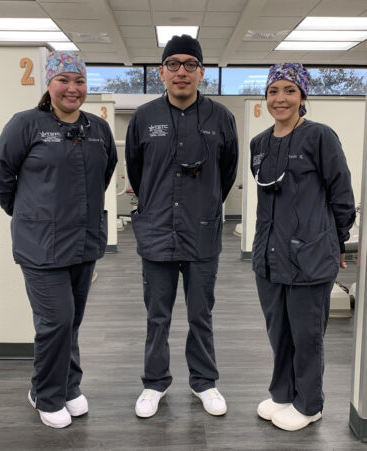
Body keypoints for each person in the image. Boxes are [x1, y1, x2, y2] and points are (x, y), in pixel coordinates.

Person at [0, 51, 117, 428]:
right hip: (40, 244)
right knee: (56, 321)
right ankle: (46, 395)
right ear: (49, 84)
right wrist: (31, 213)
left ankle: (67, 385)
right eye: (64, 79)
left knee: (71, 321)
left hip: (83, 240)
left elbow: (105, 172)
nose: (72, 88)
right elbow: (2, 175)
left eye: (79, 81)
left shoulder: (98, 129)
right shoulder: (26, 125)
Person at [125, 34, 238, 418]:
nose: (181, 72)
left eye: (190, 65)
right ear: (161, 72)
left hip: (202, 233)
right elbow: (137, 173)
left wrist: (203, 205)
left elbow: (227, 174)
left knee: (199, 314)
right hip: (156, 232)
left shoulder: (221, 118)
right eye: (173, 64)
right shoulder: (143, 118)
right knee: (157, 316)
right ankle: (154, 384)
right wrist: (156, 206)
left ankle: (204, 382)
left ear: (201, 72)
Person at [250, 63, 355, 431]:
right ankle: (283, 394)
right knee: (279, 333)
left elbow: (342, 196)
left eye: (289, 90)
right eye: (274, 90)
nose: (280, 98)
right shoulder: (259, 144)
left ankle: (309, 404)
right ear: (266, 97)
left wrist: (337, 241)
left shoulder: (320, 137)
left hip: (310, 256)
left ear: (303, 97)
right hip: (269, 256)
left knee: (307, 336)